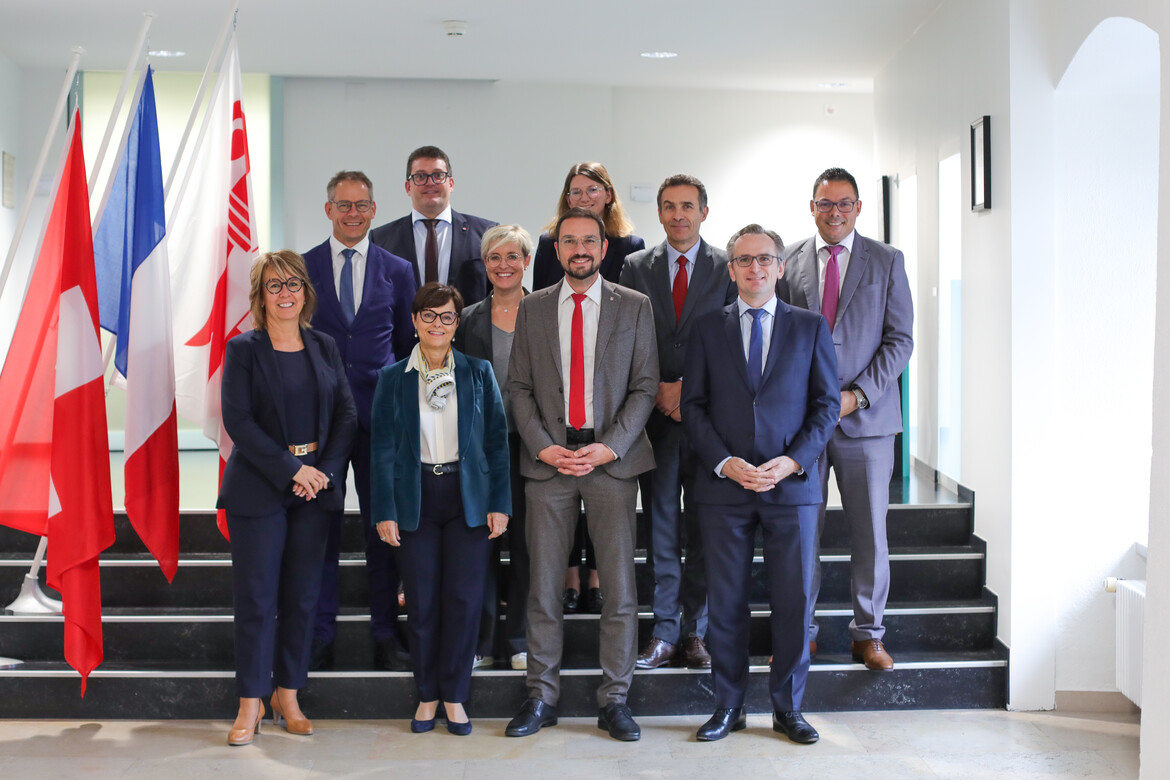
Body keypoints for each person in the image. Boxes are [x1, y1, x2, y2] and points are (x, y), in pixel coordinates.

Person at [681, 224, 839, 744]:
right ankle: (728, 706)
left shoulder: (810, 327)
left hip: (791, 487)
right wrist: (724, 462)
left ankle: (788, 709)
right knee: (726, 603)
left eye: (764, 259)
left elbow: (826, 406)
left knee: (794, 601)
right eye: (744, 260)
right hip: (725, 489)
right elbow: (693, 407)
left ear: (779, 266)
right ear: (731, 270)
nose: (755, 268)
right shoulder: (707, 328)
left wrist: (793, 462)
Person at [505, 207, 658, 742]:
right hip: (550, 464)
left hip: (611, 464)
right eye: (569, 241)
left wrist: (609, 447)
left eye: (589, 240)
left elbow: (645, 386)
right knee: (544, 588)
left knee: (618, 590)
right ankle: (540, 696)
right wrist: (544, 448)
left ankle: (615, 699)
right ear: (557, 249)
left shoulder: (634, 306)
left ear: (604, 247)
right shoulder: (533, 307)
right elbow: (518, 387)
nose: (579, 249)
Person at [217, 250, 357, 746]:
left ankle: (288, 695)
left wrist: (323, 473)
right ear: (260, 296)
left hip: (313, 490)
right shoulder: (243, 350)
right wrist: (292, 470)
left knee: (302, 597)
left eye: (293, 284)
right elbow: (239, 421)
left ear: (305, 291)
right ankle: (250, 702)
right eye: (274, 285)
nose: (285, 293)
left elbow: (346, 415)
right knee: (257, 599)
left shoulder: (324, 345)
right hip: (260, 489)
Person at [779, 167, 914, 672]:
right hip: (801, 424)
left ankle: (869, 635)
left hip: (868, 422)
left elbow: (900, 340)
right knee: (800, 533)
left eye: (843, 203)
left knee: (870, 533)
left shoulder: (887, 260)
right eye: (825, 203)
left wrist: (858, 395)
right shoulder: (787, 259)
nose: (834, 212)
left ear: (858, 208)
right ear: (811, 207)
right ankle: (801, 634)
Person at [370, 282, 512, 736]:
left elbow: (497, 442)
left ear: (457, 322)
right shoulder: (393, 378)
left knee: (464, 601)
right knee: (423, 602)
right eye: (428, 315)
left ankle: (454, 695)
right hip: (416, 500)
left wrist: (500, 504)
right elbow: (382, 450)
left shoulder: (478, 372)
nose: (437, 324)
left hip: (467, 498)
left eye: (447, 316)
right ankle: (427, 694)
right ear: (414, 321)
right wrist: (384, 510)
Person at [303, 170, 417, 672]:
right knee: (319, 532)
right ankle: (318, 635)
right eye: (344, 205)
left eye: (362, 205)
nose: (353, 214)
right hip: (321, 423)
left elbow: (407, 348)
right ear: (328, 209)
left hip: (380, 421)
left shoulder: (399, 270)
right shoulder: (303, 267)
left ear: (373, 210)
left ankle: (385, 634)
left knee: (382, 531)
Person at [620, 174, 735, 671]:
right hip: (656, 422)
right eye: (669, 206)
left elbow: (733, 340)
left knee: (705, 531)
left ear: (703, 212)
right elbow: (625, 337)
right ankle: (664, 631)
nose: (678, 215)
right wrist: (659, 390)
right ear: (659, 213)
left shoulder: (727, 266)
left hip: (710, 423)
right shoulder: (635, 267)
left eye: (687, 206)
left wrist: (687, 390)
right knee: (661, 530)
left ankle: (697, 633)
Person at [530, 161, 646, 610]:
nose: (583, 197)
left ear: (608, 195)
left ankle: (595, 574)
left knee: (605, 506)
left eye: (592, 189)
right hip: (562, 393)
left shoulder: (630, 247)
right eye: (575, 191)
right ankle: (570, 574)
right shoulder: (549, 244)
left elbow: (628, 321)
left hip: (609, 395)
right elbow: (545, 309)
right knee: (560, 501)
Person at [453, 224, 533, 672]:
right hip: (481, 451)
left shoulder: (546, 312)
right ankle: (481, 641)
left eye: (512, 256)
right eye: (494, 258)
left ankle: (520, 639)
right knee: (480, 547)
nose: (504, 265)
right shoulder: (467, 320)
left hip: (533, 448)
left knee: (526, 547)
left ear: (527, 261)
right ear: (485, 265)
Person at [369, 145, 497, 306]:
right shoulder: (380, 240)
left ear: (451, 184)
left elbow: (498, 295)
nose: (430, 183)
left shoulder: (486, 234)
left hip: (467, 323)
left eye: (438, 175)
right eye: (420, 176)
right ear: (408, 187)